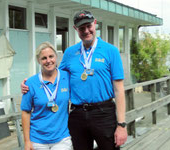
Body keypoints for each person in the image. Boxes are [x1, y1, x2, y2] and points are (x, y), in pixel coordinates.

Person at [22, 10, 127, 150]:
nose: (86, 31)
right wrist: (31, 83)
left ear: (95, 23)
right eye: (81, 28)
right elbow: (54, 72)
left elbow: (119, 89)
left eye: (88, 26)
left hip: (104, 113)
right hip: (78, 114)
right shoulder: (70, 53)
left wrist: (121, 125)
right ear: (75, 29)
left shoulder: (111, 51)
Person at [21, 42, 72, 150]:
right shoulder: (31, 83)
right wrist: (27, 141)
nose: (48, 61)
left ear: (56, 57)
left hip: (62, 138)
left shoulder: (67, 77)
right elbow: (26, 112)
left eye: (51, 56)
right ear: (38, 61)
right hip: (38, 140)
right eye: (44, 58)